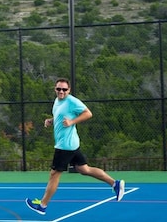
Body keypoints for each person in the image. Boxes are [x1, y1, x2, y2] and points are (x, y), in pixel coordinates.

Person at [25, 78, 125, 215]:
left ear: (69, 90)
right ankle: (115, 183)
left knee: (54, 174)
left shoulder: (72, 101)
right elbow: (60, 117)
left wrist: (72, 121)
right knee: (84, 169)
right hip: (71, 143)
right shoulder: (57, 101)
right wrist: (51, 120)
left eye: (64, 89)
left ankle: (42, 205)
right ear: (55, 89)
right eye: (59, 89)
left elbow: (88, 113)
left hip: (65, 146)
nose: (61, 92)